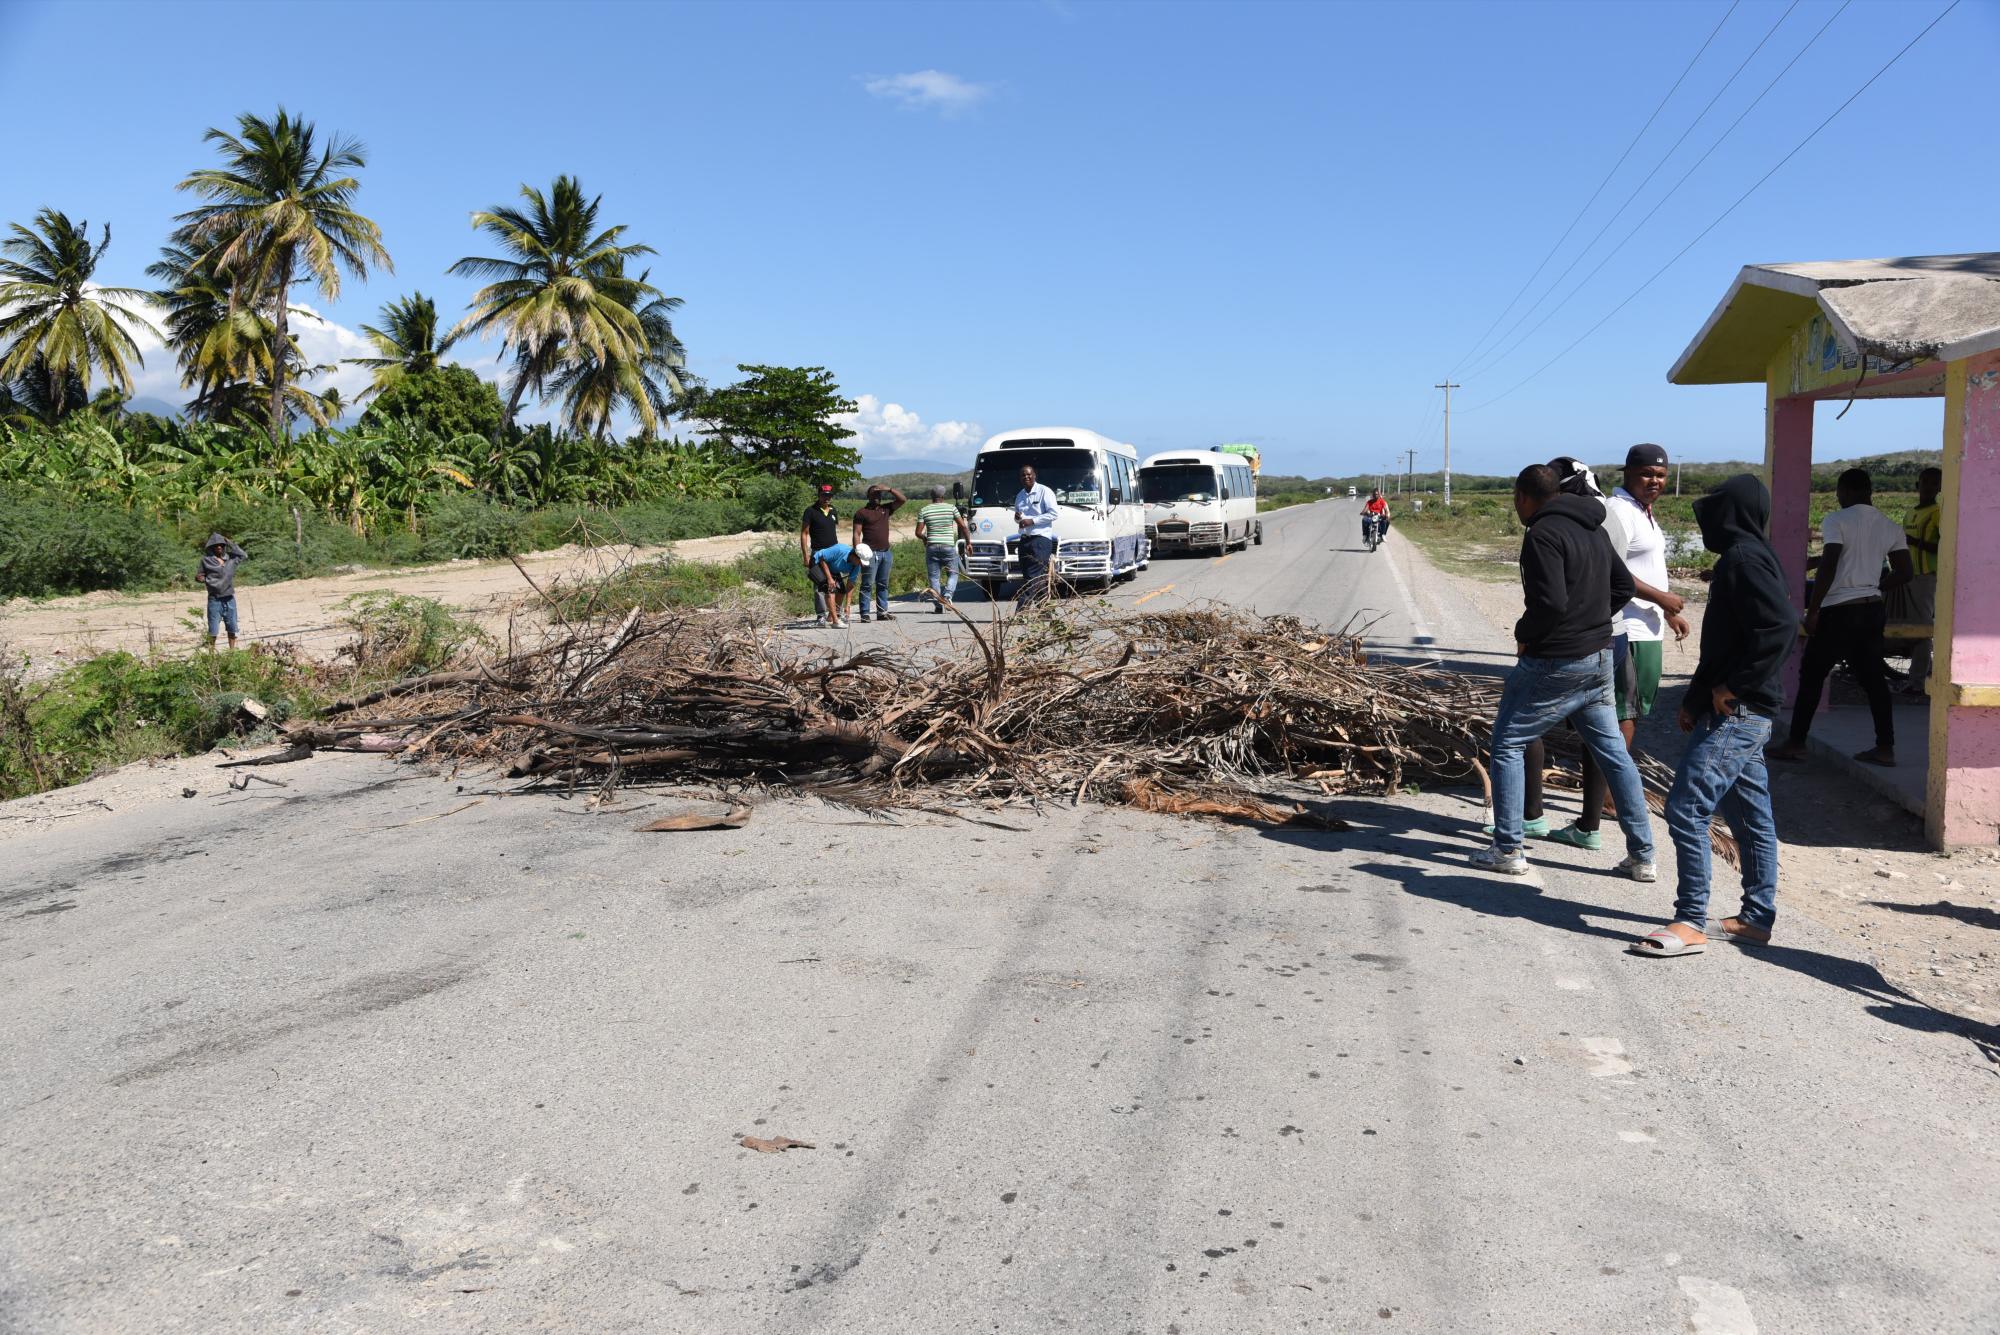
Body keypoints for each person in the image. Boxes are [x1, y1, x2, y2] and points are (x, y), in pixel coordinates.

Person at [1633, 475, 1797, 958]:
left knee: (1686, 808)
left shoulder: (1744, 559)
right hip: (1737, 706)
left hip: (1742, 709)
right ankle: (1755, 920)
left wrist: (1733, 686)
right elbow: (1729, 639)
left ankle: (1689, 922)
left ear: (1733, 514)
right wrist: (1697, 697)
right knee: (1750, 817)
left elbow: (1780, 627)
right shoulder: (1747, 556)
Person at [1474, 464, 1656, 879]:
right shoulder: (1594, 527)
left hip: (1555, 660)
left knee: (1506, 744)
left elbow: (1551, 604)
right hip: (1599, 657)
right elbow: (1623, 587)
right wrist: (1592, 623)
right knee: (1614, 755)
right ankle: (1643, 856)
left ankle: (1507, 849)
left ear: (1523, 496)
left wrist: (1525, 634)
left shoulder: (1542, 534)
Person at [1549, 445, 1692, 851]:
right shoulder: (1619, 510)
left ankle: (1609, 793)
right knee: (1618, 715)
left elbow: (1646, 567)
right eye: (1647, 474)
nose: (1655, 482)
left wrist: (1666, 613)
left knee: (1631, 713)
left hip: (1648, 629)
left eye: (1661, 476)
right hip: (1623, 627)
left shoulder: (1645, 512)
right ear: (1627, 473)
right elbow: (1615, 569)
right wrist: (1663, 599)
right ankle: (1609, 797)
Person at [1770, 467, 1911, 767]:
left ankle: (1796, 743)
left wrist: (1814, 609)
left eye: (1838, 492)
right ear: (1869, 491)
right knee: (1874, 680)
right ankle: (1885, 747)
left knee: (1812, 676)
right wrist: (1873, 586)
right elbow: (1905, 572)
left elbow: (1830, 563)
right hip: (1872, 608)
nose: (1838, 497)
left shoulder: (1837, 520)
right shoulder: (1890, 526)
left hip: (1838, 610)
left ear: (1845, 490)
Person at [1894, 466, 1943, 695]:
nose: (1929, 486)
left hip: (1926, 578)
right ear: (1917, 485)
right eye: (1925, 482)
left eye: (1934, 483)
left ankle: (1917, 682)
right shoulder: (1911, 513)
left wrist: (1914, 541)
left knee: (1923, 628)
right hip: (1907, 576)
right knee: (1907, 625)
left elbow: (1943, 545)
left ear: (1940, 487)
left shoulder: (1938, 512)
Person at [851, 485, 906, 623]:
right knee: (867, 584)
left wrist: (889, 489)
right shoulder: (861, 513)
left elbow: (903, 500)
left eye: (879, 495)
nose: (877, 497)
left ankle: (882, 612)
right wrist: (858, 552)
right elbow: (856, 533)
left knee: (883, 584)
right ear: (868, 496)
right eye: (874, 495)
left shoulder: (885, 509)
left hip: (886, 553)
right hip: (870, 554)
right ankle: (864, 613)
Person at [914, 485, 970, 610]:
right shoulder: (951, 508)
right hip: (948, 546)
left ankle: (939, 605)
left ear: (931, 496)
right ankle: (948, 595)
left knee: (934, 577)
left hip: (932, 547)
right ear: (943, 497)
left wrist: (924, 538)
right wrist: (968, 543)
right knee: (953, 573)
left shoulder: (924, 510)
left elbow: (918, 532)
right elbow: (963, 527)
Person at [1013, 464, 1059, 608]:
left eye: (1029, 474)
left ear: (1034, 475)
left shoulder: (1044, 491)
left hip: (1040, 540)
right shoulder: (1020, 495)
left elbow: (1054, 514)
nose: (1026, 477)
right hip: (1025, 540)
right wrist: (1017, 518)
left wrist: (1032, 520)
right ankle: (1045, 611)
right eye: (1023, 475)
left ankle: (1022, 611)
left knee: (1032, 576)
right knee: (1033, 577)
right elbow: (1018, 518)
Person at [800, 484, 842, 627]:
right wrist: (806, 556)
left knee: (835, 582)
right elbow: (804, 533)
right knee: (820, 585)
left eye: (829, 495)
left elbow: (832, 530)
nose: (827, 498)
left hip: (833, 553)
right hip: (818, 553)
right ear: (818, 495)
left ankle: (834, 614)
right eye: (824, 495)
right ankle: (821, 616)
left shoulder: (833, 510)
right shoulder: (810, 511)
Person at [197, 532, 248, 649]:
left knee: (232, 627)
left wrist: (230, 542)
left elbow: (244, 555)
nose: (219, 547)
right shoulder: (206, 560)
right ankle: (211, 655)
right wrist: (203, 579)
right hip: (214, 599)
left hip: (229, 598)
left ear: (224, 546)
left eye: (221, 545)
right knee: (213, 630)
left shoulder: (231, 559)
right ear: (211, 547)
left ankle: (231, 653)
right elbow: (200, 575)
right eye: (216, 545)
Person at [808, 540, 870, 628]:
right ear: (855, 556)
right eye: (861, 561)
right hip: (817, 562)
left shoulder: (856, 565)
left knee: (841, 591)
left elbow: (850, 584)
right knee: (830, 589)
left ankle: (830, 618)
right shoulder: (840, 550)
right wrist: (829, 579)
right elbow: (822, 559)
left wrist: (848, 605)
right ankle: (835, 621)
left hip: (831, 568)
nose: (861, 564)